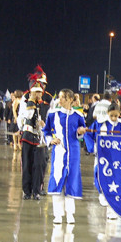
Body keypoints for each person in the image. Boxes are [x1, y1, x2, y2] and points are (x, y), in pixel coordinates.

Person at [42, 89, 87, 224]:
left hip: (73, 153)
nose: (59, 100)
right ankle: (57, 214)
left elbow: (82, 133)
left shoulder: (78, 116)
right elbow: (46, 131)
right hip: (59, 152)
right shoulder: (53, 114)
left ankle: (70, 214)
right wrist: (50, 140)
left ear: (70, 99)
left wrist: (81, 132)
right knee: (57, 180)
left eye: (62, 98)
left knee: (71, 181)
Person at [85, 102, 121, 220]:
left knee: (115, 184)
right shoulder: (99, 123)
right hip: (101, 157)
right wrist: (94, 147)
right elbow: (88, 134)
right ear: (107, 113)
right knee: (99, 176)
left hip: (116, 160)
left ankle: (112, 211)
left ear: (119, 115)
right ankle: (101, 193)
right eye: (111, 115)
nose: (113, 118)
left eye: (116, 116)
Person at [17, 83, 45, 200]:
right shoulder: (27, 103)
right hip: (28, 135)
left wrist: (42, 124)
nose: (39, 94)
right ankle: (26, 191)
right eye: (37, 92)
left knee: (38, 165)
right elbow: (26, 116)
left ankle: (36, 190)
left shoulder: (41, 105)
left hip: (38, 137)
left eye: (40, 92)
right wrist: (31, 101)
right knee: (27, 164)